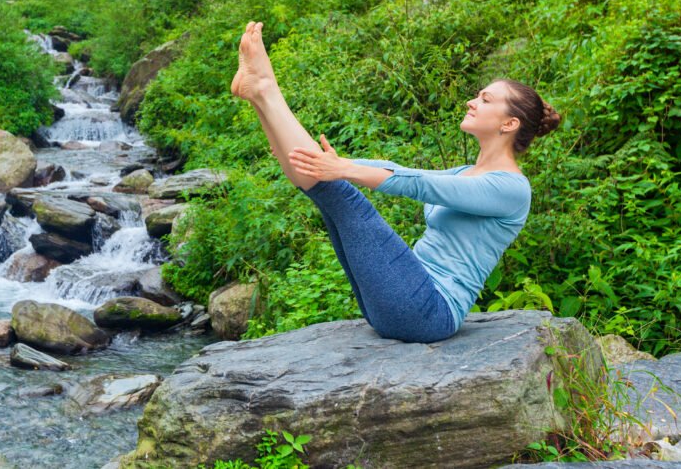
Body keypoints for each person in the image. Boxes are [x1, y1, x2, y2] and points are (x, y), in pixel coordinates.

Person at [230, 21, 561, 342]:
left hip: (430, 311)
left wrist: (342, 169)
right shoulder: (464, 173)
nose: (472, 102)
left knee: (342, 194)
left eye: (486, 100)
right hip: (404, 301)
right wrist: (333, 163)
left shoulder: (512, 188)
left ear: (509, 124)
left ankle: (265, 89)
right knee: (327, 186)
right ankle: (260, 97)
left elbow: (419, 184)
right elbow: (398, 169)